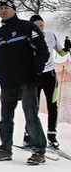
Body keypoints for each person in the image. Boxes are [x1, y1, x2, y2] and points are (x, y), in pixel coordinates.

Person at [0, 0, 49, 165]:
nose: (3, 10)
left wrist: (37, 70)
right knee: (5, 117)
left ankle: (38, 150)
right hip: (7, 83)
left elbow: (42, 50)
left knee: (30, 115)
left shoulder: (27, 28)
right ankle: (5, 149)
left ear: (14, 9)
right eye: (1, 8)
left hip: (27, 80)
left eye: (6, 7)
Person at [23, 15, 70, 148]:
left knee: (52, 106)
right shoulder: (28, 39)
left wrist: (67, 48)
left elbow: (61, 53)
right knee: (33, 107)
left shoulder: (51, 36)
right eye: (37, 25)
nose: (40, 28)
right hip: (35, 76)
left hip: (50, 75)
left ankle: (52, 135)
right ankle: (28, 136)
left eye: (42, 25)